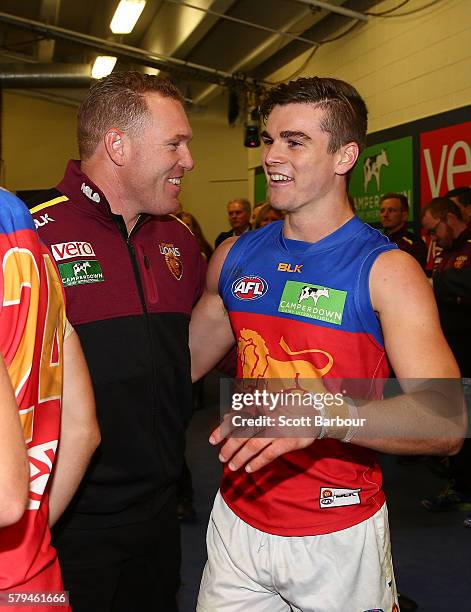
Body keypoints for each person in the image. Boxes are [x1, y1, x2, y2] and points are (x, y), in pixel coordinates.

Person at [189, 77, 465, 612]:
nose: (272, 155)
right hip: (235, 516)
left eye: (295, 142)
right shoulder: (235, 256)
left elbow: (447, 420)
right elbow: (180, 362)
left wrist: (320, 415)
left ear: (345, 155)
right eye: (269, 140)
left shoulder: (387, 271)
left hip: (337, 529)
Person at [28, 71, 206, 612]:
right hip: (66, 523)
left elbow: (184, 355)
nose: (189, 160)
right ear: (117, 145)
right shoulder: (31, 239)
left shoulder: (179, 239)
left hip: (159, 517)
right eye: (175, 143)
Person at [0, 188, 99, 610]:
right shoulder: (27, 241)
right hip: (34, 579)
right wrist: (35, 528)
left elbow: (4, 496)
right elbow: (82, 431)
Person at [420, 197, 471, 521]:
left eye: (434, 229)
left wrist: (432, 283)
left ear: (450, 218)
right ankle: (462, 487)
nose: (432, 238)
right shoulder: (447, 253)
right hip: (454, 353)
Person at [379, 192, 427, 268]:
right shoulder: (375, 241)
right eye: (382, 211)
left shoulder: (414, 244)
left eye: (391, 210)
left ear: (404, 215)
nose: (385, 214)